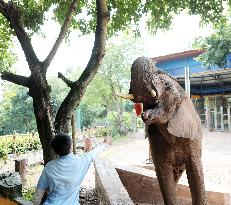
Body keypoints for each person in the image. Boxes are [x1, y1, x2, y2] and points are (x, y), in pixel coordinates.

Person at [32, 133, 111, 205]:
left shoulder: (49, 167)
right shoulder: (81, 160)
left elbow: (39, 192)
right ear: (71, 146)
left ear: (55, 151)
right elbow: (94, 152)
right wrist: (105, 144)